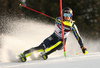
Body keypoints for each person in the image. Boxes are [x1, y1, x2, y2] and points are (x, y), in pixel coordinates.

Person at [19, 7, 88, 62]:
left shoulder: (73, 25)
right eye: (65, 15)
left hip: (61, 41)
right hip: (53, 38)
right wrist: (63, 23)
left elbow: (78, 37)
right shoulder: (58, 19)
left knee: (61, 44)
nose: (67, 17)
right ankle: (24, 54)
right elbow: (60, 21)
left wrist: (82, 47)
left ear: (71, 16)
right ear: (62, 15)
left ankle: (45, 54)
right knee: (41, 48)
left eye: (68, 15)